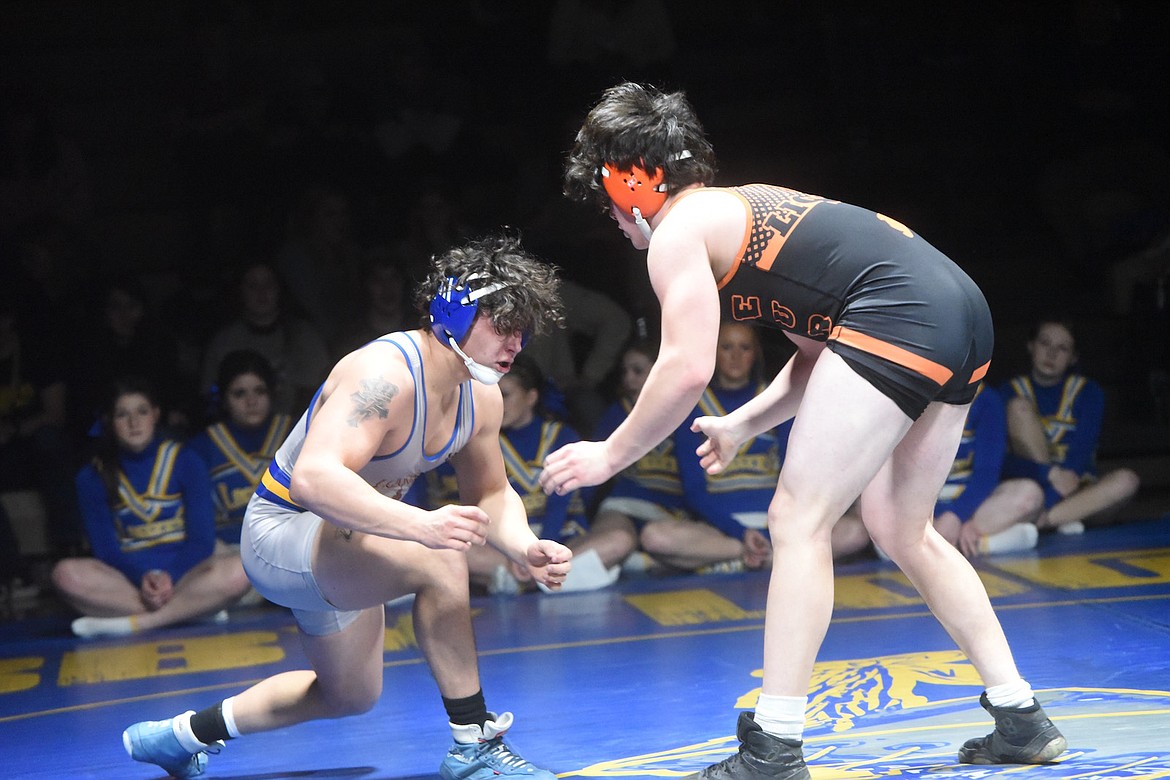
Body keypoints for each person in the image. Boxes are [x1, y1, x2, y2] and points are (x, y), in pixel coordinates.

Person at [540, 82, 1067, 779]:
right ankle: (1021, 717)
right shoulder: (749, 215)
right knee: (901, 527)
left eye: (607, 203)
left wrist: (611, 452)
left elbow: (685, 366)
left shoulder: (679, 232)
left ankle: (775, 747)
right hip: (959, 311)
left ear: (633, 181)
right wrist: (741, 424)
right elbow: (820, 354)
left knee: (796, 519)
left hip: (901, 313)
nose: (611, 221)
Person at [121, 234, 570, 780]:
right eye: (504, 326)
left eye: (523, 330)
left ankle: (182, 736)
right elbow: (314, 478)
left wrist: (526, 546)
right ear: (454, 314)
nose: (516, 344)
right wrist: (421, 526)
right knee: (440, 558)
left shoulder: (483, 396)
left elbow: (492, 494)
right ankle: (473, 746)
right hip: (283, 531)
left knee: (350, 694)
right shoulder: (383, 376)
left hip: (348, 539)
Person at [51, 375, 251, 638]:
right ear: (109, 421)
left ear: (155, 414)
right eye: (123, 415)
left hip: (187, 572)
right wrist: (144, 577)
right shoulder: (92, 476)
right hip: (129, 579)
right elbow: (106, 551)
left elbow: (202, 540)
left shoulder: (187, 460)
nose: (134, 422)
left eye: (142, 412)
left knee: (245, 567)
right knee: (64, 575)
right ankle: (192, 610)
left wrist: (169, 576)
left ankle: (132, 623)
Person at [416, 354, 631, 594]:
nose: (497, 402)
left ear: (531, 397)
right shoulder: (477, 439)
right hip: (505, 549)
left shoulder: (561, 434)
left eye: (506, 395)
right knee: (443, 548)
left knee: (620, 540)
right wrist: (518, 556)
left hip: (560, 540)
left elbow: (560, 503)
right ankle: (552, 581)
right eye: (493, 393)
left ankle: (522, 581)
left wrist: (542, 555)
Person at [673, 322, 870, 573]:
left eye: (744, 348)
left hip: (777, 524)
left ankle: (742, 560)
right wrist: (741, 533)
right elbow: (693, 490)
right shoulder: (693, 408)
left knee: (854, 532)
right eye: (726, 347)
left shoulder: (777, 399)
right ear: (713, 352)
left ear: (755, 353)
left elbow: (795, 474)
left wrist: (771, 532)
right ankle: (760, 557)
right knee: (656, 536)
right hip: (721, 530)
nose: (735, 356)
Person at [998, 318, 1140, 533]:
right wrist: (1049, 475)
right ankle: (1059, 517)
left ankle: (1044, 521)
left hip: (1081, 494)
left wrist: (1054, 498)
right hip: (1031, 491)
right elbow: (1001, 458)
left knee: (1128, 480)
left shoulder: (1090, 392)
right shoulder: (1007, 392)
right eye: (1045, 343)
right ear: (1031, 346)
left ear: (1073, 358)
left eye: (1062, 348)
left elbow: (1079, 458)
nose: (1051, 354)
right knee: (1019, 408)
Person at [589, 337, 690, 574]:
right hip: (623, 504)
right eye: (625, 371)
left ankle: (638, 562)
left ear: (660, 370)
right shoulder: (617, 412)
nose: (628, 379)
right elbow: (591, 474)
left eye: (637, 371)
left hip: (670, 513)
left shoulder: (688, 409)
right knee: (614, 540)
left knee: (662, 541)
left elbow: (697, 484)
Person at [186, 350, 292, 547]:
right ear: (223, 399)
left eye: (259, 391)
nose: (251, 402)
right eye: (239, 393)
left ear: (272, 393)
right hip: (227, 551)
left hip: (289, 544)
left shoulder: (294, 434)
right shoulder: (202, 447)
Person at [199, 261, 332, 416]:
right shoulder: (224, 341)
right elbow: (209, 398)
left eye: (268, 284)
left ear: (279, 289)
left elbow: (322, 392)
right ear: (240, 291)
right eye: (252, 286)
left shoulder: (304, 336)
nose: (261, 292)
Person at [929, 383, 1044, 558]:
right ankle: (983, 543)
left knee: (1030, 495)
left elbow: (987, 474)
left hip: (974, 504)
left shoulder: (986, 399)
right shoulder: (909, 389)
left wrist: (957, 516)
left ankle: (936, 545)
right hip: (922, 505)